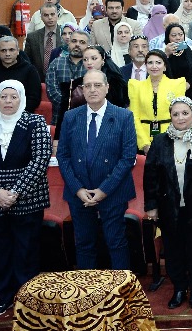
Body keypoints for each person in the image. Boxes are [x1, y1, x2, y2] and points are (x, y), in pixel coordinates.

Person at [0, 80, 51, 315]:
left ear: (21, 99)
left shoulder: (35, 122)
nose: (8, 101)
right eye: (3, 97)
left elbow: (40, 160)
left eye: (13, 97)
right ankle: (4, 295)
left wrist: (14, 192)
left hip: (27, 198)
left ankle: (27, 299)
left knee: (26, 250)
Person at [142, 97, 192, 309]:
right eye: (176, 114)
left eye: (185, 113)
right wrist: (151, 205)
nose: (180, 118)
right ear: (170, 116)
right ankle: (179, 288)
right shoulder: (159, 142)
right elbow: (150, 176)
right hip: (168, 206)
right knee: (173, 249)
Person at [56, 69, 139, 270]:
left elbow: (128, 158)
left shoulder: (124, 116)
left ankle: (121, 287)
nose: (92, 90)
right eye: (88, 86)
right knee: (84, 244)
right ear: (82, 89)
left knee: (116, 242)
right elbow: (63, 156)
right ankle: (88, 289)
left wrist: (104, 190)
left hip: (113, 191)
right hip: (79, 192)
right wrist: (78, 189)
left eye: (97, 85)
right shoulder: (70, 117)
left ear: (107, 88)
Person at [128, 49, 189, 152]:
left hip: (171, 138)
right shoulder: (136, 86)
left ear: (164, 66)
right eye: (150, 63)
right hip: (143, 139)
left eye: (158, 62)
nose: (154, 66)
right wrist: (144, 144)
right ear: (146, 66)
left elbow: (180, 116)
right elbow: (134, 117)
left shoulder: (177, 85)